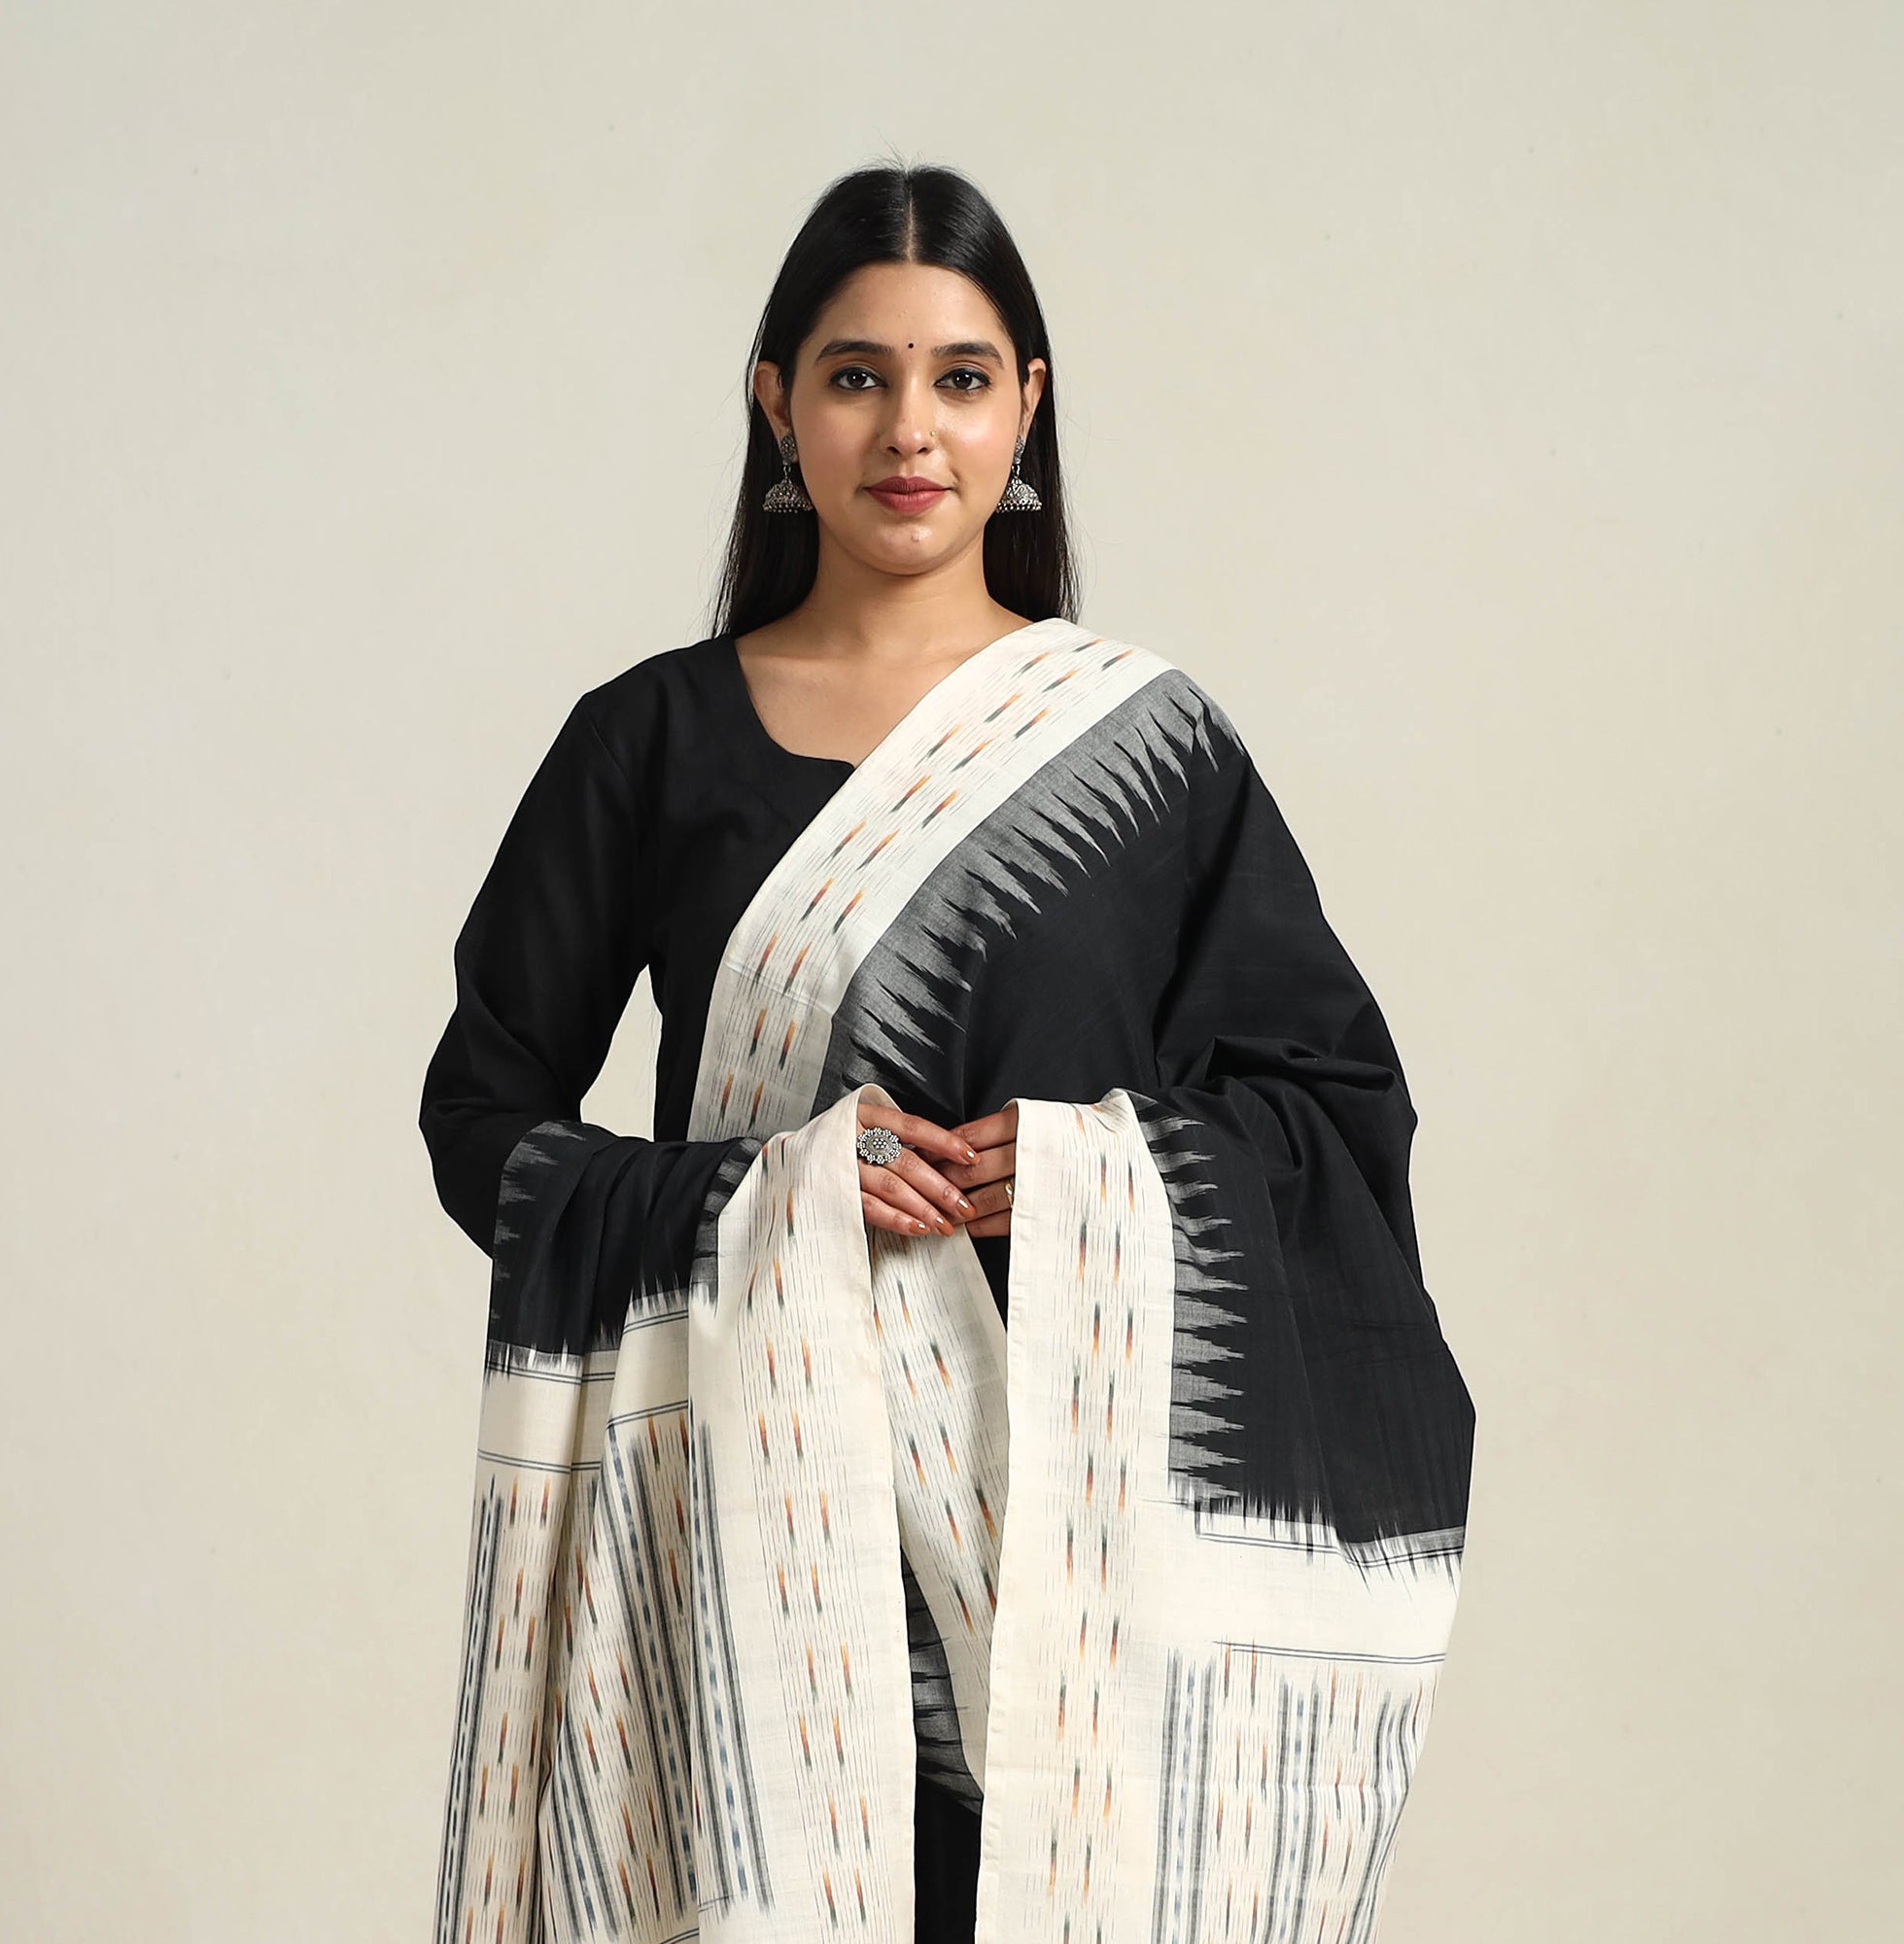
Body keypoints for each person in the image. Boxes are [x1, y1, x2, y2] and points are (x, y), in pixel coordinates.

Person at [419, 162, 1474, 1944]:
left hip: (1071, 1560)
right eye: (858, 376)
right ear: (777, 404)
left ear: (1026, 408)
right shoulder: (649, 742)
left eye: (962, 377)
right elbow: (482, 1114)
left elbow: (1335, 1112)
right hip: (750, 1533)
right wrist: (760, 1198)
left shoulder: (1148, 755)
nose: (911, 429)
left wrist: (1086, 1174)